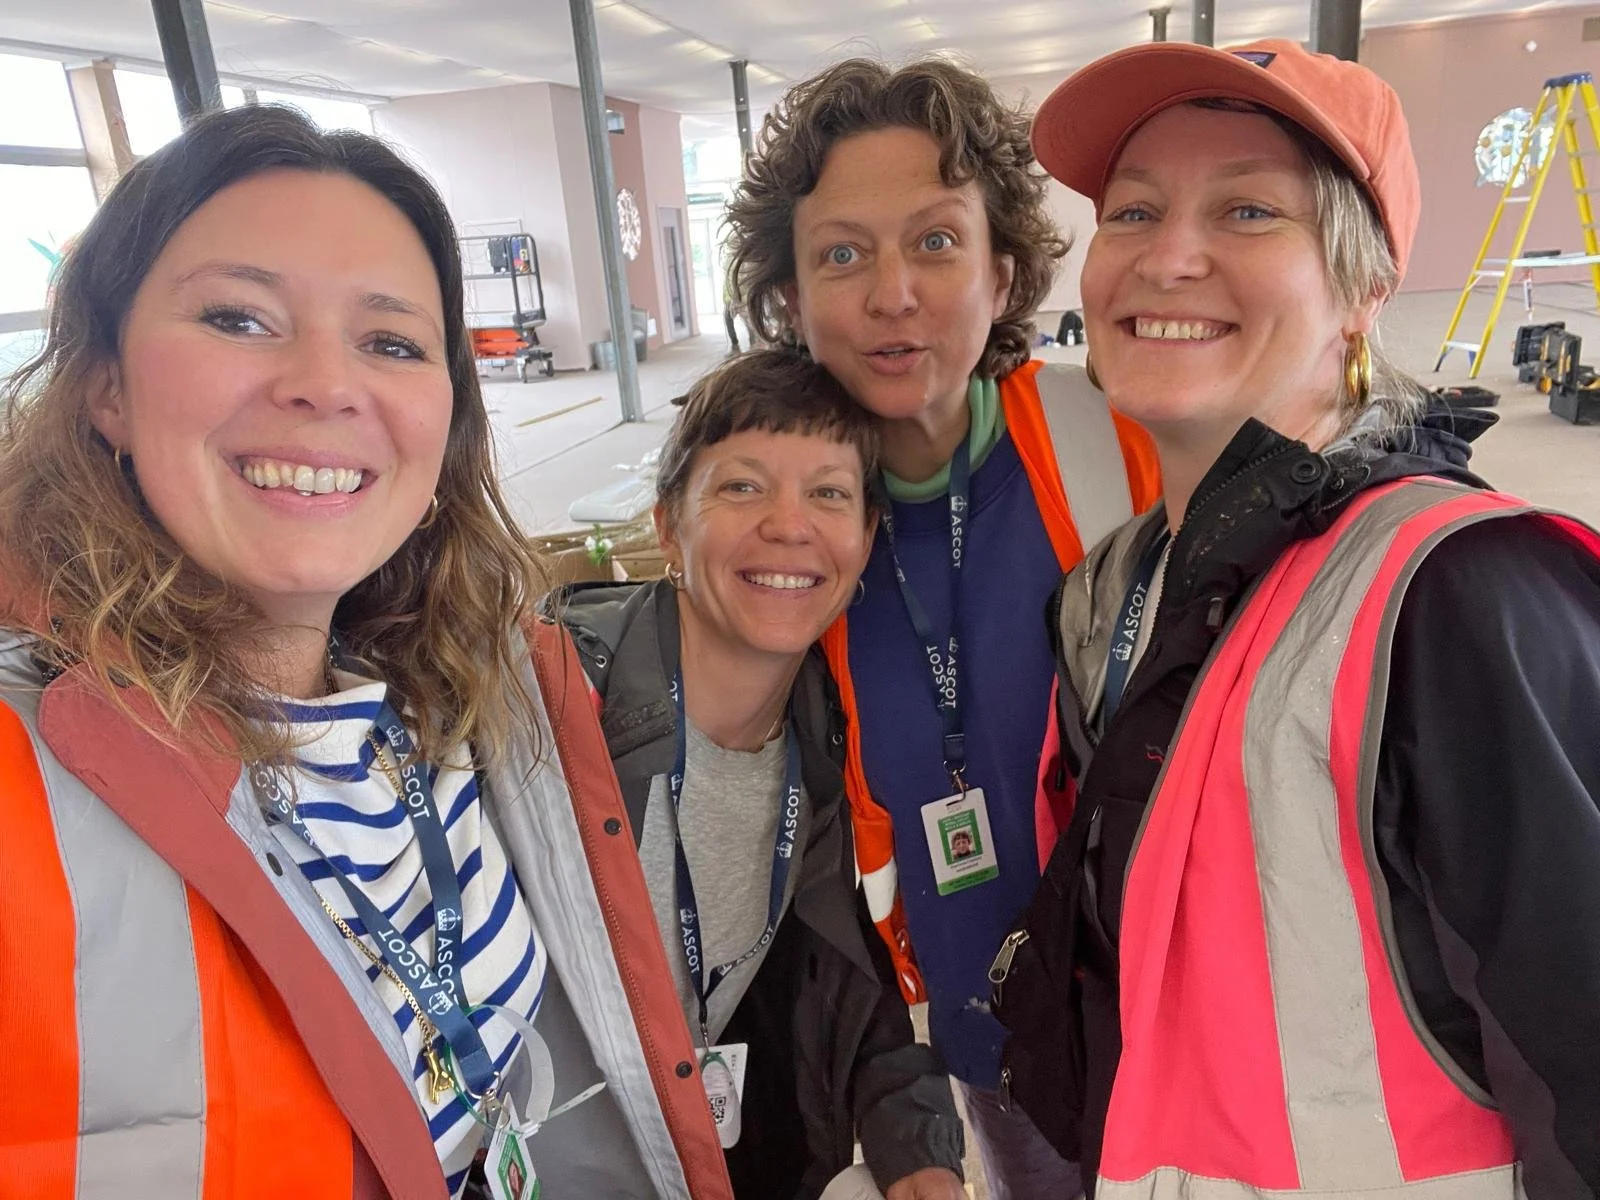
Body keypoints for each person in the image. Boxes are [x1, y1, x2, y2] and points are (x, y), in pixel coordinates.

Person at [0, 104, 775, 1200]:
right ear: (106, 385)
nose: (325, 383)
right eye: (239, 318)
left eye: (392, 342)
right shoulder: (27, 780)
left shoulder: (473, 696)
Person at [993, 38, 1600, 1197]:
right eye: (1131, 213)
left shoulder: (1458, 595)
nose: (1167, 256)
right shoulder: (1109, 591)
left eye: (1247, 211)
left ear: (1363, 293)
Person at [723, 58, 1163, 1199]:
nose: (893, 295)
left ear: (1001, 269)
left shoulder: (1121, 446)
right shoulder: (783, 544)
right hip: (985, 1040)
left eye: (934, 241)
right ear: (789, 299)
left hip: (1171, 1020)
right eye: (841, 255)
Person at [553, 349, 966, 1200]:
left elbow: (846, 966)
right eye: (742, 487)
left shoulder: (828, 734)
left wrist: (912, 1140)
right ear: (668, 527)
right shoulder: (556, 708)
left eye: (829, 493)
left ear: (865, 540)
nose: (788, 525)